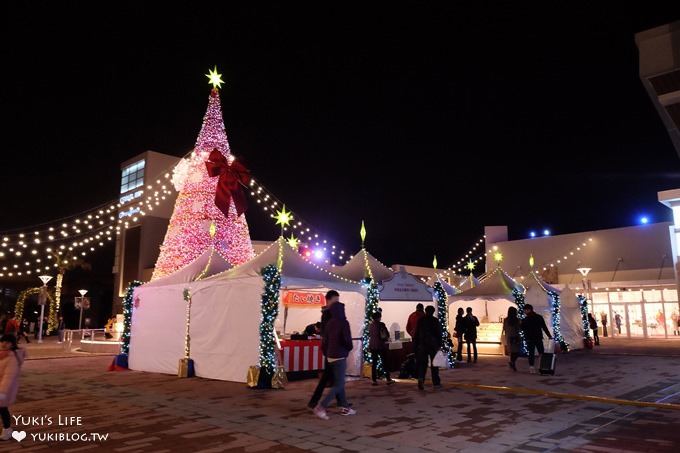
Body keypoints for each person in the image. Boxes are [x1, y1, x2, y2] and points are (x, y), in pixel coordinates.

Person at [313, 300, 355, 420]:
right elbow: (347, 340)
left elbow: (324, 341)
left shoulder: (330, 323)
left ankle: (345, 407)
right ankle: (321, 407)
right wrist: (349, 348)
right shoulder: (343, 323)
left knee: (339, 382)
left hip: (330, 356)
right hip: (340, 355)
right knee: (339, 383)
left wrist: (327, 352)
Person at [307, 290, 345, 410]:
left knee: (332, 378)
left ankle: (339, 402)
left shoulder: (330, 313)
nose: (337, 303)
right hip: (332, 350)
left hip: (332, 350)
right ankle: (319, 403)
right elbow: (328, 333)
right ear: (328, 301)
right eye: (335, 301)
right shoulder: (328, 314)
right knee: (335, 379)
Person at [0, 334, 26, 441]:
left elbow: (9, 376)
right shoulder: (2, 354)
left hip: (5, 389)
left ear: (12, 344)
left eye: (7, 342)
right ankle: (7, 429)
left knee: (2, 409)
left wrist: (2, 392)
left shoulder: (12, 358)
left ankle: (7, 430)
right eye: (2, 341)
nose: (3, 344)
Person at [413, 305, 442, 390]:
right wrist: (439, 345)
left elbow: (416, 333)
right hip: (432, 344)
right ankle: (436, 382)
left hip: (422, 344)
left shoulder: (421, 320)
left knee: (423, 364)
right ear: (433, 312)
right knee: (434, 364)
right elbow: (438, 334)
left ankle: (421, 379)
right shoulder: (435, 321)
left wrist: (415, 345)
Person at [521, 304, 553, 374]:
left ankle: (532, 367)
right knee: (541, 353)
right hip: (538, 337)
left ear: (529, 310)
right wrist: (549, 335)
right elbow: (544, 327)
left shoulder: (525, 319)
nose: (524, 312)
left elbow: (522, 328)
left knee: (531, 353)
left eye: (525, 310)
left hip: (529, 338)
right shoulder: (539, 317)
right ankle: (543, 367)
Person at [368, 311, 394, 386]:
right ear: (379, 317)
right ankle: (388, 379)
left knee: (374, 363)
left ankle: (374, 380)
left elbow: (370, 334)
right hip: (380, 345)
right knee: (385, 362)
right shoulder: (381, 324)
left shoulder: (370, 325)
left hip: (372, 345)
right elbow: (386, 334)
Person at [502, 306, 521, 371]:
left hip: (509, 337)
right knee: (517, 351)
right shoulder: (517, 320)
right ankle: (512, 362)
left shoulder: (506, 320)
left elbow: (504, 328)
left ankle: (512, 362)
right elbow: (519, 328)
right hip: (516, 336)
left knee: (512, 351)